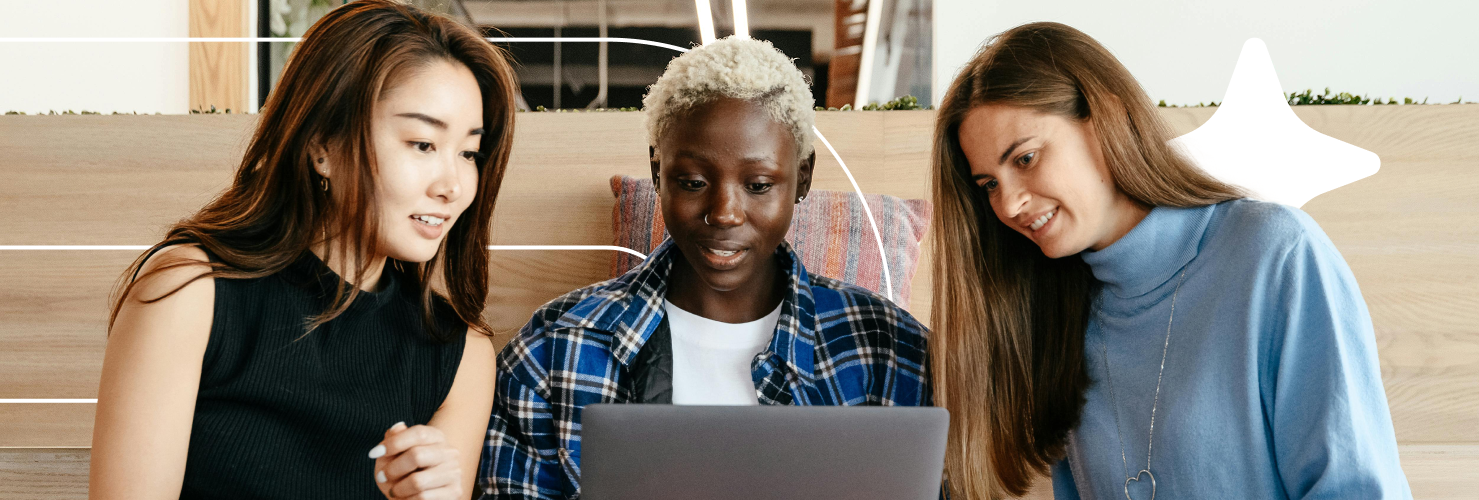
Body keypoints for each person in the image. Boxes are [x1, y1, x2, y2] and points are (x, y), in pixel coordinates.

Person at [928, 22, 1411, 500]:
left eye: (1026, 159)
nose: (1008, 205)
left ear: (1105, 117)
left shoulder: (1275, 256)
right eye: (989, 184)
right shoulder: (1055, 311)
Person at [89, 2, 519, 498]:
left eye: (469, 153)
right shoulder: (189, 292)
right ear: (322, 146)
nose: (453, 185)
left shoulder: (460, 354)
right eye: (422, 143)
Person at [477, 36, 931, 499]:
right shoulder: (554, 349)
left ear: (803, 179)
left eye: (757, 184)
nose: (725, 212)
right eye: (692, 182)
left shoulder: (890, 349)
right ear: (657, 174)